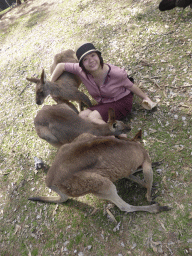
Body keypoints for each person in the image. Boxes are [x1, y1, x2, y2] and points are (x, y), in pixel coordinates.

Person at [51, 42, 156, 125]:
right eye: (85, 59)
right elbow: (61, 66)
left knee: (93, 117)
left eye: (93, 55)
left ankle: (118, 135)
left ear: (99, 56)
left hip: (121, 101)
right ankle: (102, 130)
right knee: (81, 116)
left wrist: (146, 98)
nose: (91, 61)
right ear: (81, 64)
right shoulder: (80, 70)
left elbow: (131, 86)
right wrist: (50, 85)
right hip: (105, 103)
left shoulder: (115, 73)